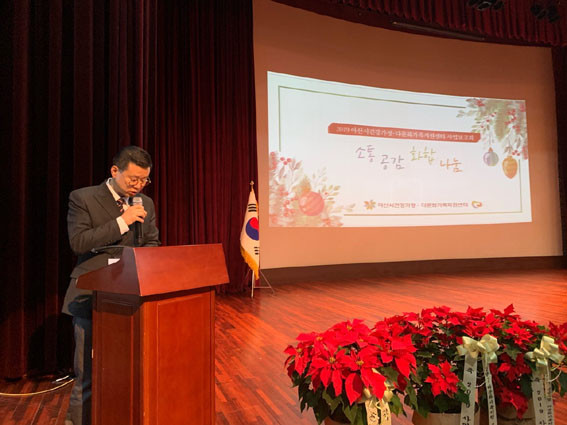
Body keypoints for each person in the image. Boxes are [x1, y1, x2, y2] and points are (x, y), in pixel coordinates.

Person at [62, 146, 160, 425]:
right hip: (89, 295)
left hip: (131, 297)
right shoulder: (83, 197)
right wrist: (121, 222)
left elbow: (152, 242)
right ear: (115, 171)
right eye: (133, 179)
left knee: (127, 372)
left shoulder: (145, 203)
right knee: (87, 374)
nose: (138, 186)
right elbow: (78, 242)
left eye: (144, 180)